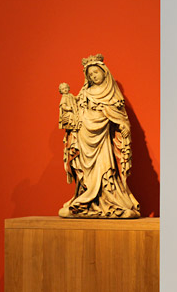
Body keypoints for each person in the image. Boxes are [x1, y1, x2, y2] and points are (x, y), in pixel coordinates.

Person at [58, 54, 139, 218]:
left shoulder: (112, 94)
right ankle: (84, 201)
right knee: (86, 171)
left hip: (102, 138)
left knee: (105, 168)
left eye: (96, 72)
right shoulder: (85, 92)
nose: (94, 76)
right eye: (90, 74)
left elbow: (120, 116)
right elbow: (77, 108)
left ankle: (112, 202)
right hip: (85, 135)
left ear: (104, 72)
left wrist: (124, 126)